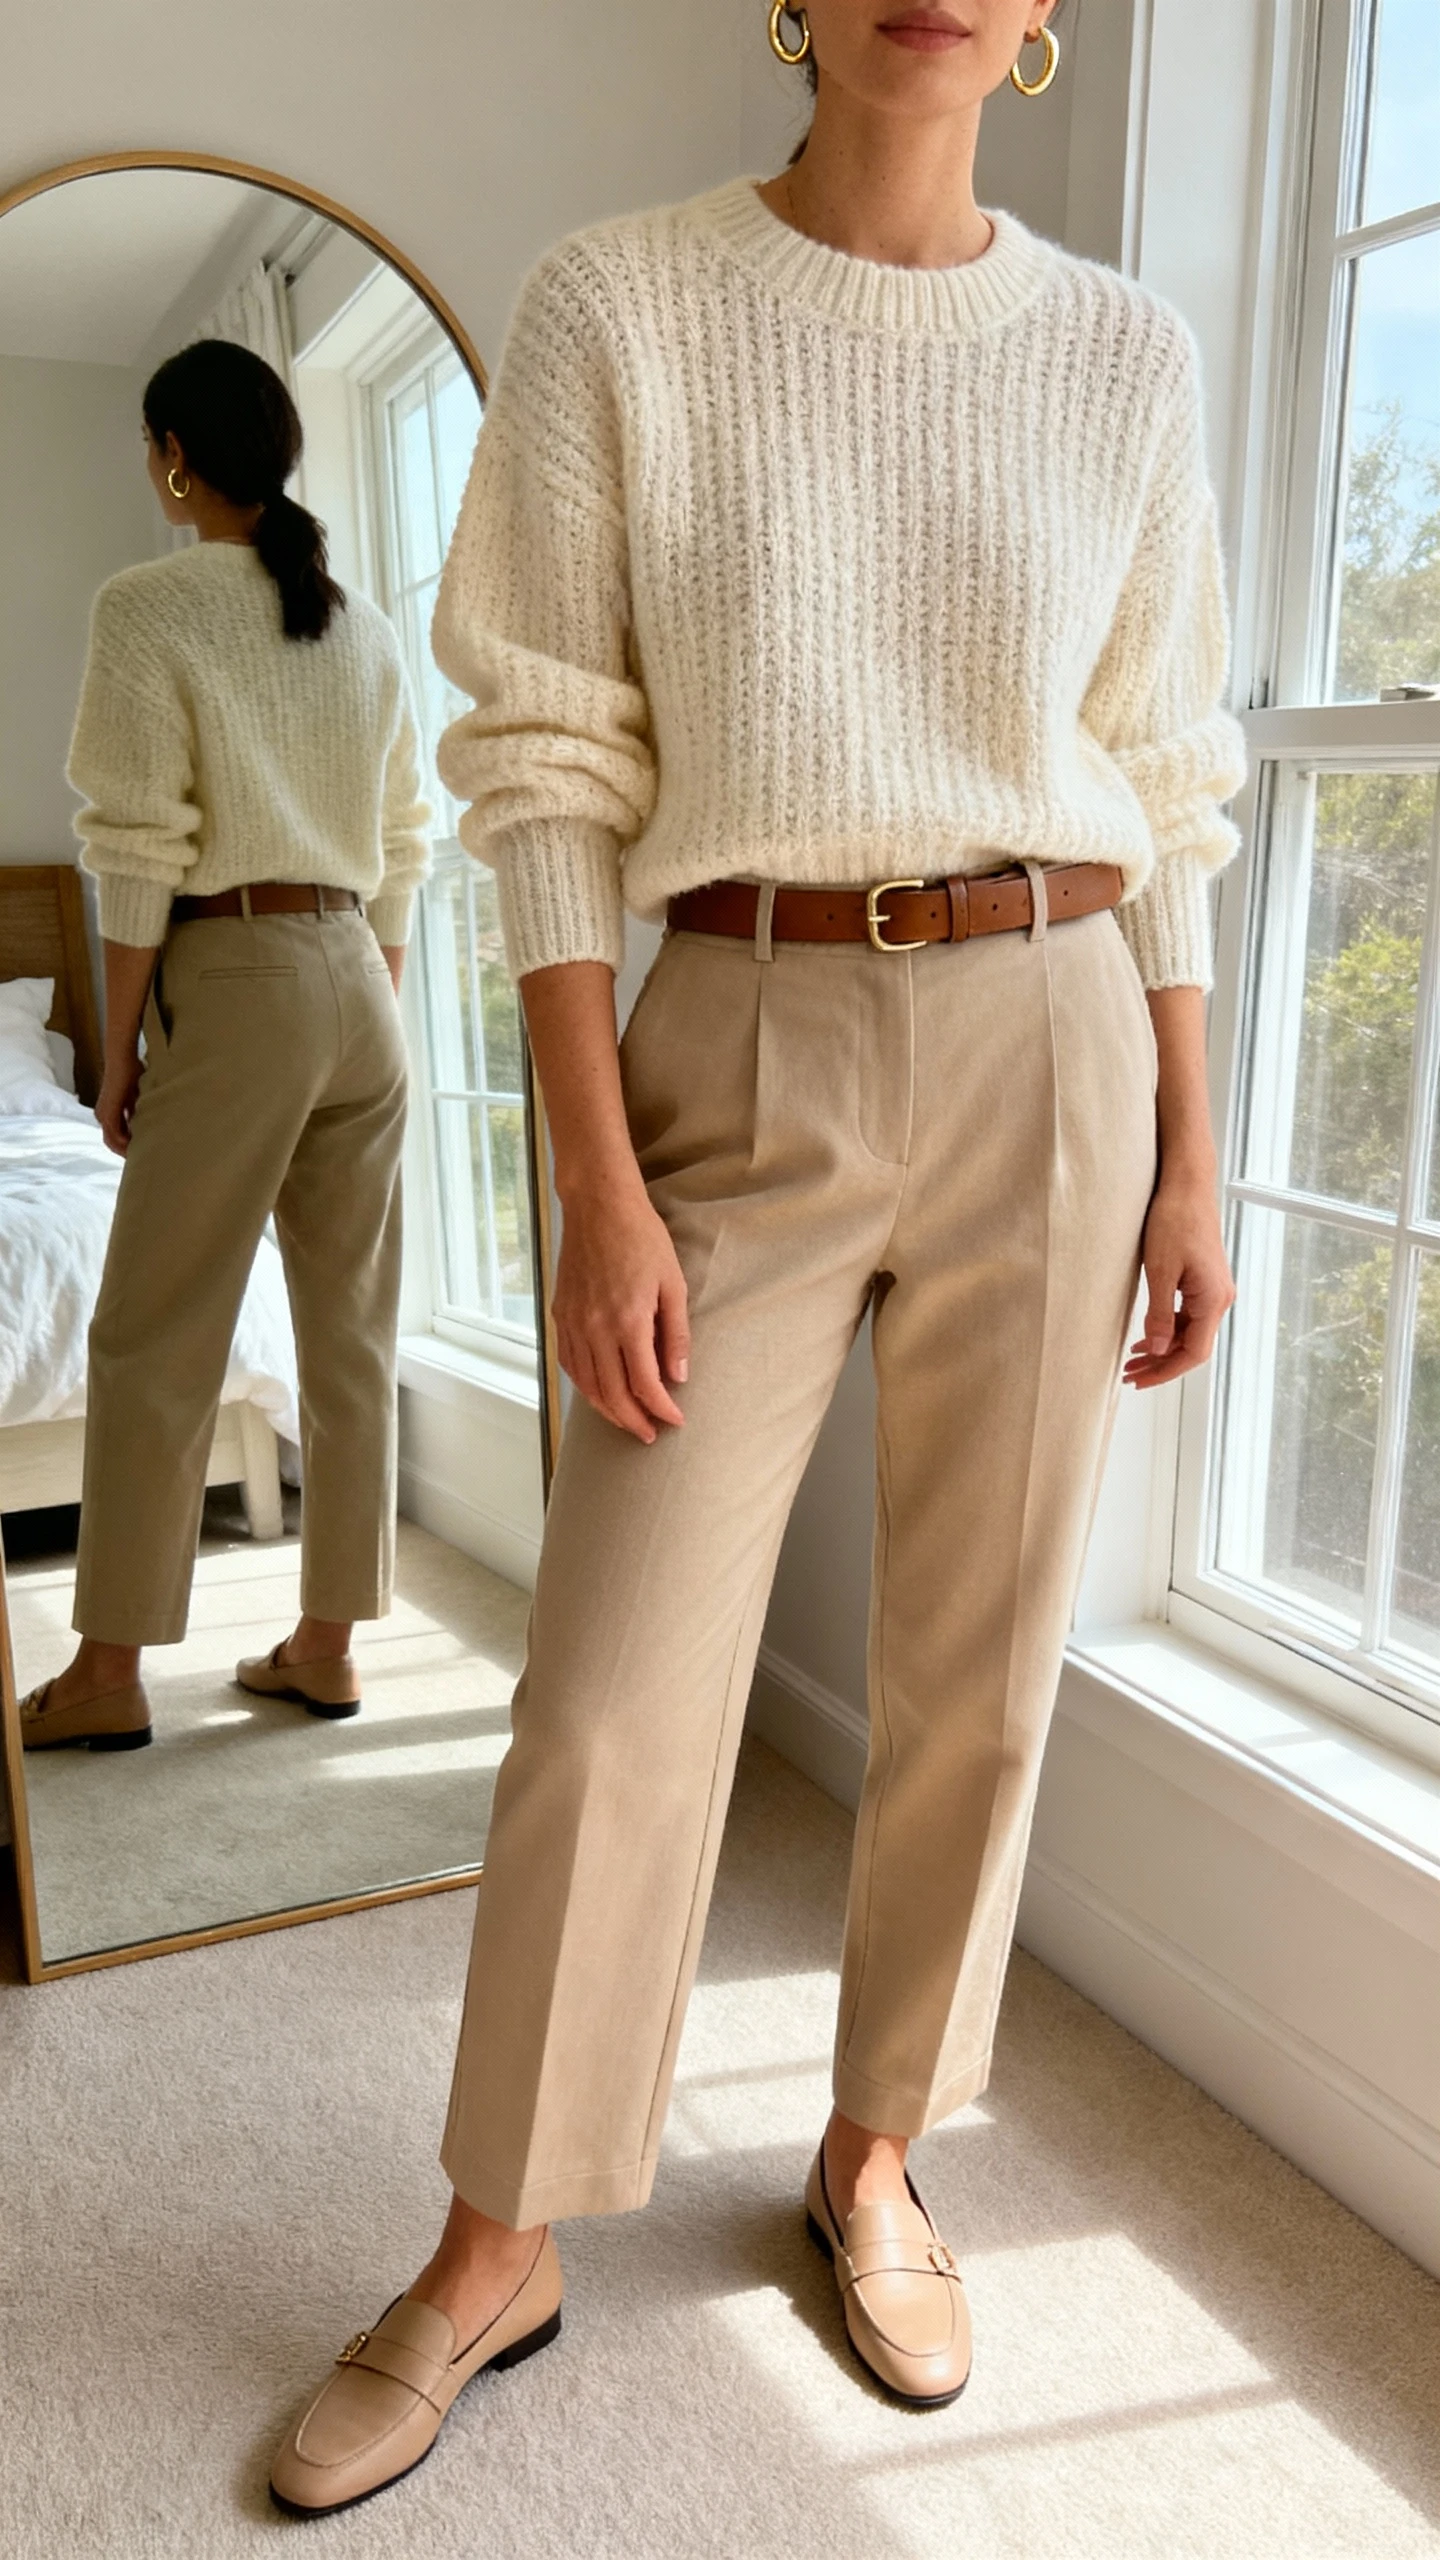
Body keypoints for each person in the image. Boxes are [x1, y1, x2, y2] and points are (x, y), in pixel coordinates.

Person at [271, 0, 1248, 2511]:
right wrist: (595, 1182)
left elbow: (1165, 769)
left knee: (979, 1664)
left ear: (1043, 23)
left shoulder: (1123, 353)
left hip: (1062, 1022)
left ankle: (880, 2148)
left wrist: (1195, 1144)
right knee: (611, 1687)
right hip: (745, 1032)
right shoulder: (624, 305)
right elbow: (547, 771)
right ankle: (501, 2229)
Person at [19, 337, 430, 1754]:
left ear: (175, 458)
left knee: (152, 1327)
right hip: (356, 984)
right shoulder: (361, 625)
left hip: (238, 971)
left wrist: (119, 1051)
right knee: (353, 1331)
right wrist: (353, 995)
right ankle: (328, 1646)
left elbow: (136, 860)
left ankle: (111, 1672)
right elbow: (404, 852)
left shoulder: (151, 607)